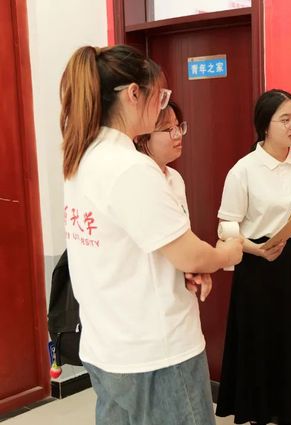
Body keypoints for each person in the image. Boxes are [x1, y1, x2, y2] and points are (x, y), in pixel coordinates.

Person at [60, 44, 243, 425]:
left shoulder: (83, 158)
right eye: (159, 97)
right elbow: (191, 254)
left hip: (107, 346)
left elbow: (130, 248)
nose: (162, 108)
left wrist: (183, 268)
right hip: (156, 353)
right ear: (133, 94)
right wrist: (229, 252)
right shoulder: (130, 168)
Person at [215, 89, 291, 425]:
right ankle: (260, 414)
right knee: (263, 344)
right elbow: (226, 227)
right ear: (265, 125)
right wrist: (256, 249)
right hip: (258, 266)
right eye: (286, 119)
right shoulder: (244, 170)